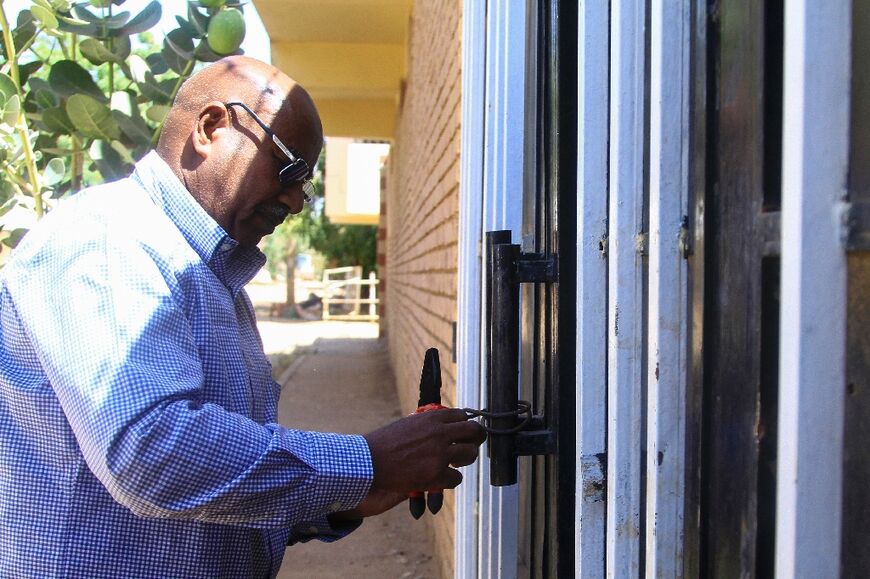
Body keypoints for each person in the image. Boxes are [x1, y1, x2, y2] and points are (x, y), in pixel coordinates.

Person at [0, 56, 486, 578]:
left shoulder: (210, 277)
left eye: (307, 182)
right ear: (211, 128)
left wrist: (347, 497)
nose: (298, 200)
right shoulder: (106, 240)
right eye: (289, 168)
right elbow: (151, 452)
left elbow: (211, 491)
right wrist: (367, 462)